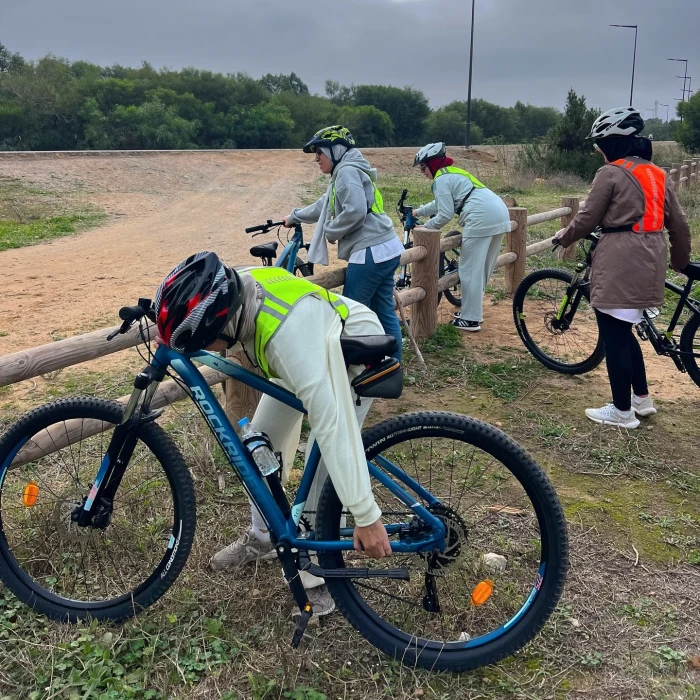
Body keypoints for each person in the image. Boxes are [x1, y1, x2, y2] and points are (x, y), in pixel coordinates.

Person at [154, 251, 392, 617]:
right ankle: (264, 538)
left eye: (204, 341)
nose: (202, 350)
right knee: (258, 447)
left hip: (352, 347)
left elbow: (334, 423)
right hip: (315, 340)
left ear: (225, 325)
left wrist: (366, 515)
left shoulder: (289, 339)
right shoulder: (237, 288)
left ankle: (321, 579)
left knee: (324, 462)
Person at [554, 107, 691, 428]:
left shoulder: (611, 173)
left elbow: (588, 218)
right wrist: (680, 262)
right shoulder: (657, 174)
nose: (598, 149)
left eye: (600, 143)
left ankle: (621, 411)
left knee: (614, 335)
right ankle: (641, 400)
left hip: (621, 259)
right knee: (623, 329)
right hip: (652, 255)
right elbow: (680, 225)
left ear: (614, 142)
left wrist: (564, 235)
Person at [283, 125, 404, 361]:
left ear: (335, 150)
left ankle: (354, 372)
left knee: (350, 315)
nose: (316, 158)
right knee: (384, 312)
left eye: (319, 151)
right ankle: (393, 367)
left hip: (370, 252)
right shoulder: (348, 171)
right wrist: (294, 216)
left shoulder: (346, 172)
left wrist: (332, 229)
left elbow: (356, 210)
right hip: (386, 247)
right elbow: (323, 205)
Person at [412, 142, 511, 332]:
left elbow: (445, 214)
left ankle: (471, 319)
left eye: (423, 167)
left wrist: (426, 226)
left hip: (480, 217)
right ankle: (472, 311)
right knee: (482, 268)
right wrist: (419, 212)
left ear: (432, 163)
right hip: (499, 212)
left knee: (470, 269)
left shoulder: (440, 180)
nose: (422, 172)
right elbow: (440, 202)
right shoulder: (452, 173)